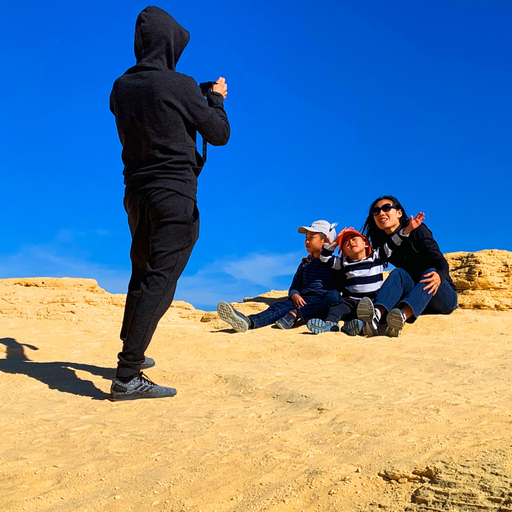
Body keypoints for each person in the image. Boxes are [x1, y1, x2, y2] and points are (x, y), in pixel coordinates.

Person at [109, 7, 230, 401]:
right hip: (173, 192)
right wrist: (214, 99)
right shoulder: (180, 84)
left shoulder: (120, 87)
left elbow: (158, 113)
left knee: (142, 271)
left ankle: (133, 352)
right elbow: (220, 133)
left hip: (136, 194)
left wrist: (194, 97)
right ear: (171, 43)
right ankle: (128, 374)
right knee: (162, 276)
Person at [357, 196, 457, 337]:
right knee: (398, 273)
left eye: (386, 208)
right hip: (414, 295)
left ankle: (400, 318)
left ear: (399, 213)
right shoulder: (383, 244)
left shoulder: (417, 229)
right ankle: (375, 317)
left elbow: (440, 261)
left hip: (441, 296)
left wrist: (439, 276)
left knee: (430, 271)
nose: (381, 213)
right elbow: (366, 263)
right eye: (376, 211)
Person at [217, 220, 343, 331]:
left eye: (311, 237)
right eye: (306, 238)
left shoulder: (334, 264)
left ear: (325, 240)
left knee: (334, 296)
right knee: (278, 308)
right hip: (303, 300)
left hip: (322, 302)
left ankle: (296, 314)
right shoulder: (305, 264)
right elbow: (295, 285)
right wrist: (295, 295)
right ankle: (248, 321)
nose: (307, 241)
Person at [307, 226, 402, 335]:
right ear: (344, 251)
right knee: (336, 309)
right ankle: (330, 324)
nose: (350, 242)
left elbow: (393, 242)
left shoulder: (376, 256)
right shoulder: (344, 262)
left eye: (354, 239)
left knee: (368, 314)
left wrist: (407, 230)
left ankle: (355, 327)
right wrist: (337, 241)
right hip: (350, 301)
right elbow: (324, 257)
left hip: (371, 301)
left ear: (366, 243)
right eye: (346, 243)